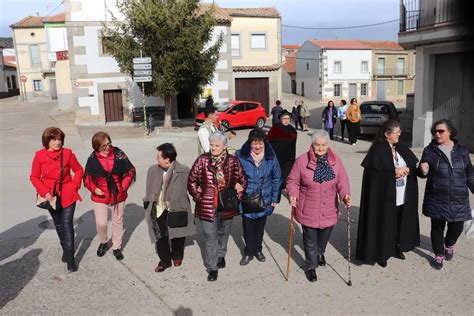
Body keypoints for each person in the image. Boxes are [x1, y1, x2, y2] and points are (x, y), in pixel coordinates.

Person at [287, 130, 351, 282]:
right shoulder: (302, 161)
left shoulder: (335, 161)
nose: (321, 148)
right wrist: (292, 194)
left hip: (329, 207)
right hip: (308, 207)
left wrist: (345, 195)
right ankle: (311, 266)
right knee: (310, 240)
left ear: (328, 145)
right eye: (317, 145)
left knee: (323, 237)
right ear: (312, 144)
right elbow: (292, 181)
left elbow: (343, 180)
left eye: (323, 145)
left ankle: (320, 252)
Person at [356, 120, 420, 268]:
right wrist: (393, 172)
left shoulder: (400, 147)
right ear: (386, 134)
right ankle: (381, 253)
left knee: (398, 223)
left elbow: (412, 165)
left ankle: (396, 247)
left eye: (399, 132)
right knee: (384, 224)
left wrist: (409, 170)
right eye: (396, 133)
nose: (399, 135)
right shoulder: (378, 150)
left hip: (402, 194)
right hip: (384, 196)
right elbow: (374, 176)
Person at [188, 131, 247, 281]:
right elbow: (191, 181)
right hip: (207, 206)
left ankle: (221, 255)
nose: (213, 148)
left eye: (217, 145)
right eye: (211, 145)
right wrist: (199, 198)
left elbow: (243, 180)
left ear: (225, 146)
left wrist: (236, 195)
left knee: (224, 233)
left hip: (227, 205)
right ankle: (212, 267)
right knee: (210, 236)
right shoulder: (202, 160)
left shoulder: (233, 161)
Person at [418, 119, 474, 270]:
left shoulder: (462, 150)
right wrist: (423, 170)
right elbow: (422, 172)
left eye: (441, 131)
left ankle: (449, 245)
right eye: (435, 131)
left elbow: (469, 173)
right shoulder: (430, 150)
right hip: (437, 197)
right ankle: (438, 254)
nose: (437, 134)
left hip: (459, 197)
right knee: (437, 227)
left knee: (457, 227)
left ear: (450, 132)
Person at [30, 127, 83, 272]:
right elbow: (34, 177)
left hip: (68, 193)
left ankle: (70, 258)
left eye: (60, 139)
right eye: (54, 139)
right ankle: (65, 250)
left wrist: (74, 186)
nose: (57, 142)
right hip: (50, 196)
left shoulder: (67, 153)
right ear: (47, 141)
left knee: (67, 224)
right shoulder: (39, 156)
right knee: (59, 225)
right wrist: (45, 193)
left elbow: (78, 170)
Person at [144, 143, 196, 272]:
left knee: (178, 234)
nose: (157, 159)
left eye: (159, 157)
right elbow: (148, 188)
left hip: (177, 207)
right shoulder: (152, 170)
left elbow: (193, 188)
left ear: (167, 159)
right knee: (160, 235)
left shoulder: (184, 171)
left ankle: (177, 255)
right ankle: (165, 260)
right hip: (159, 207)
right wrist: (148, 202)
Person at [84, 132, 136, 261]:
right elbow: (87, 178)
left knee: (117, 221)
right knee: (101, 223)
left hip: (118, 192)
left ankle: (116, 247)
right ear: (96, 147)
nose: (108, 148)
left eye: (109, 144)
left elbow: (130, 171)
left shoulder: (118, 154)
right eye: (103, 146)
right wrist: (95, 189)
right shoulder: (92, 159)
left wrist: (123, 187)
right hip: (100, 195)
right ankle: (103, 241)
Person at [235, 129, 281, 265]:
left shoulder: (271, 156)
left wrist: (274, 198)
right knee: (248, 227)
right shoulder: (240, 156)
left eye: (260, 143)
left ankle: (258, 249)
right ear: (250, 143)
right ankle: (248, 252)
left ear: (264, 143)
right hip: (246, 198)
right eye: (254, 143)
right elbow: (234, 174)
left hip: (265, 197)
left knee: (260, 226)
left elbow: (277, 177)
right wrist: (236, 185)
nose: (257, 146)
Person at [267, 110, 298, 189]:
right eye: (284, 118)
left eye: (288, 118)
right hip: (278, 156)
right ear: (280, 119)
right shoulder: (275, 128)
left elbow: (293, 142)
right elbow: (268, 141)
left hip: (289, 155)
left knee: (288, 171)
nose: (287, 120)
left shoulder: (292, 129)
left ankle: (285, 184)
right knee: (278, 171)